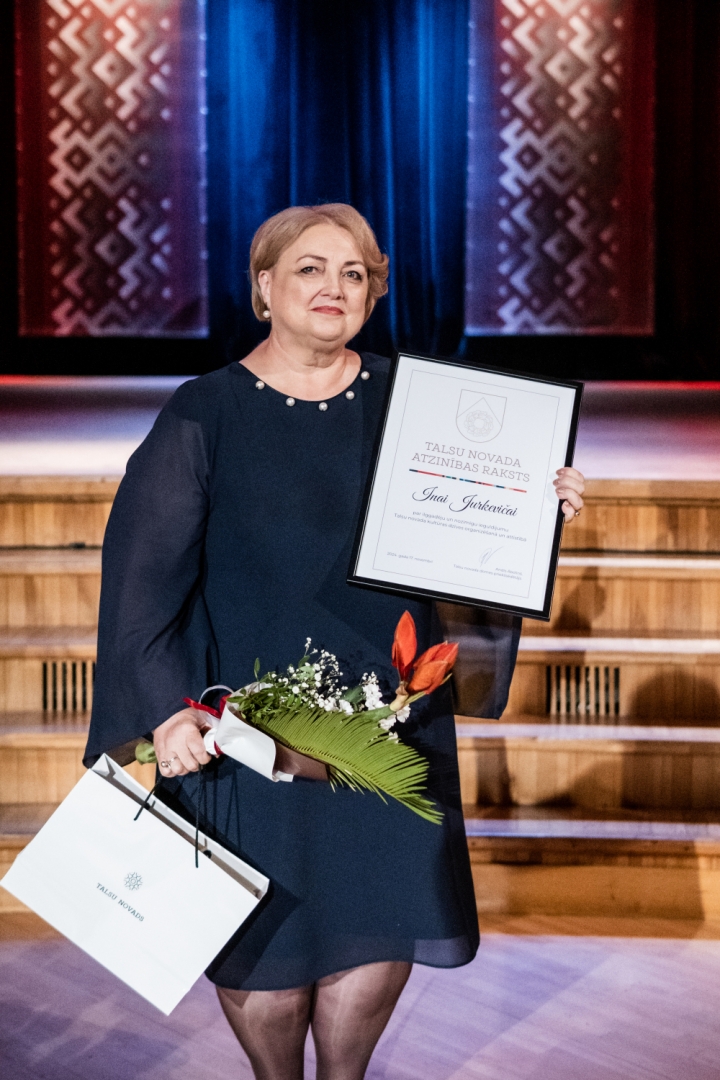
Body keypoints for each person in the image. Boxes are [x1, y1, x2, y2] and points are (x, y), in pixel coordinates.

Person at [85, 203, 584, 1080]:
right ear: (264, 287)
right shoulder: (204, 414)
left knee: (377, 920)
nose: (333, 287)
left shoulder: (415, 406)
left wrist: (532, 516)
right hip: (247, 732)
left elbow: (471, 539)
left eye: (354, 274)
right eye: (309, 269)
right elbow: (139, 590)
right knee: (267, 952)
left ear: (372, 295)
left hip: (389, 721)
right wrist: (165, 712)